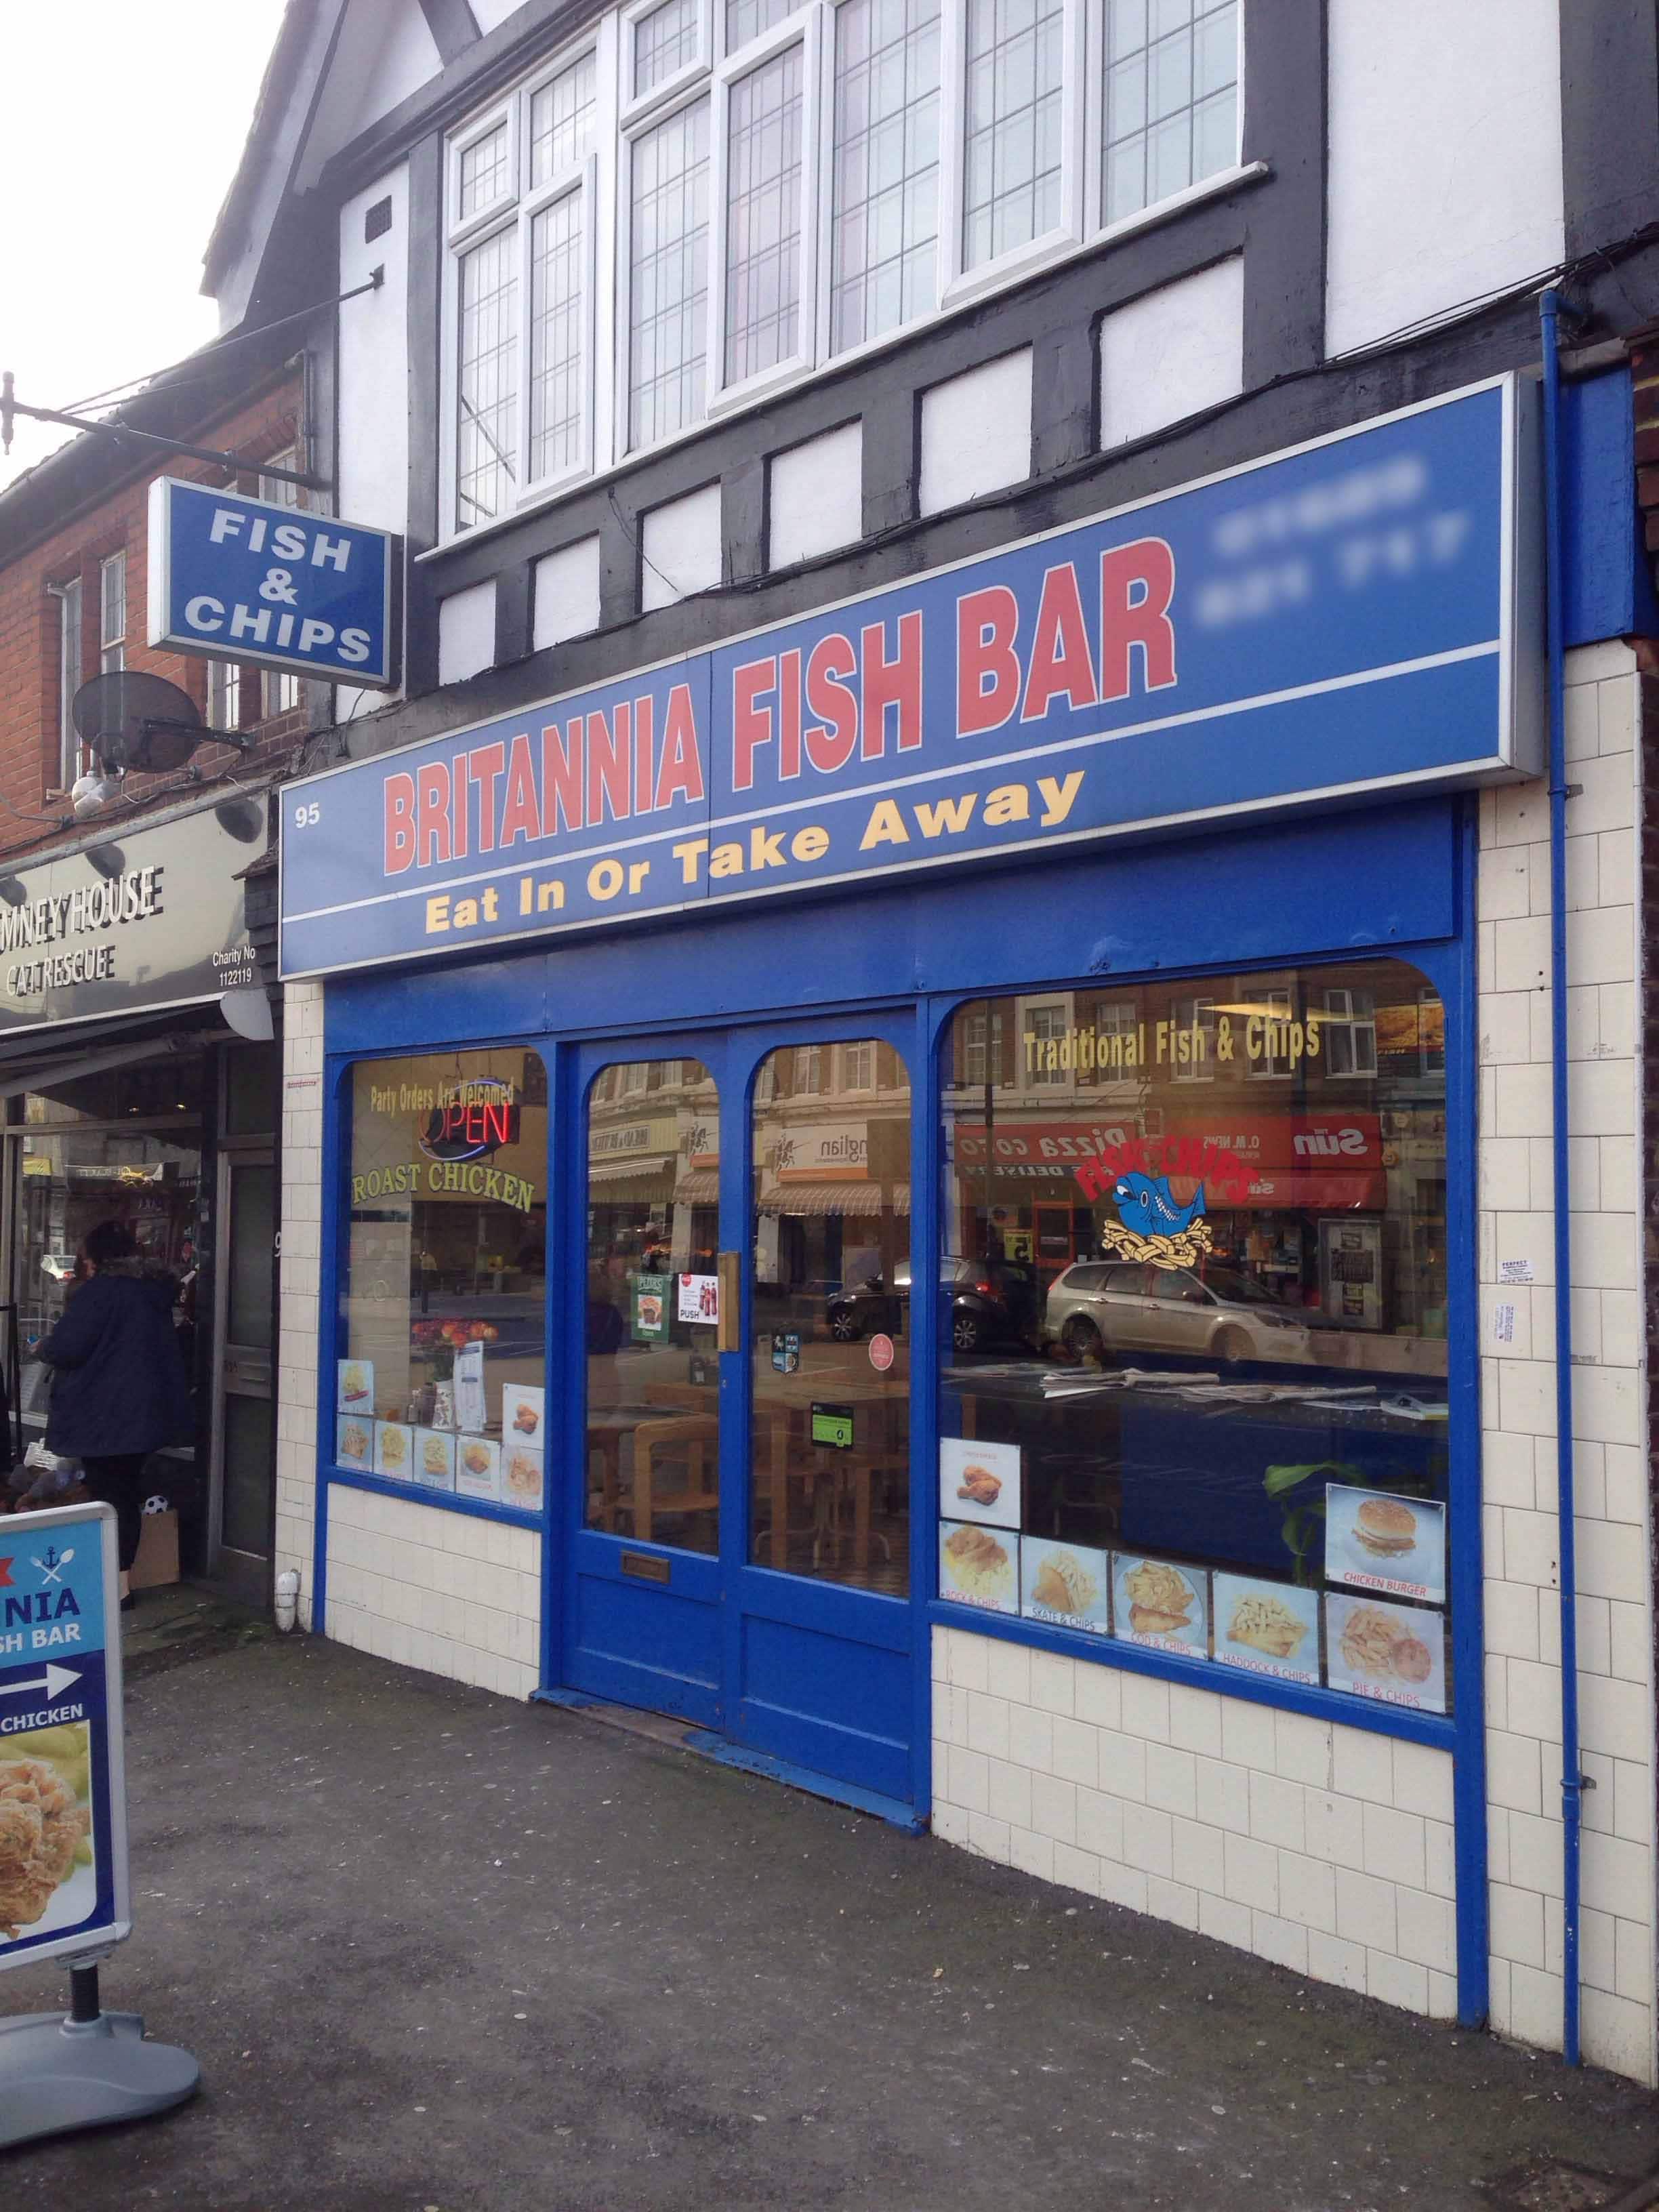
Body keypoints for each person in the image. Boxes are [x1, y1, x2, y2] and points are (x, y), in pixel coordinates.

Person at [35, 1221, 192, 1607]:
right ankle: (120, 1582)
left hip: (103, 1416)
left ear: (96, 1258)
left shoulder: (100, 1293)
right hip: (143, 1415)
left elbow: (68, 1348)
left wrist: (42, 1347)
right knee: (123, 1494)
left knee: (107, 1498)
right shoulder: (152, 1294)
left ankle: (112, 1586)